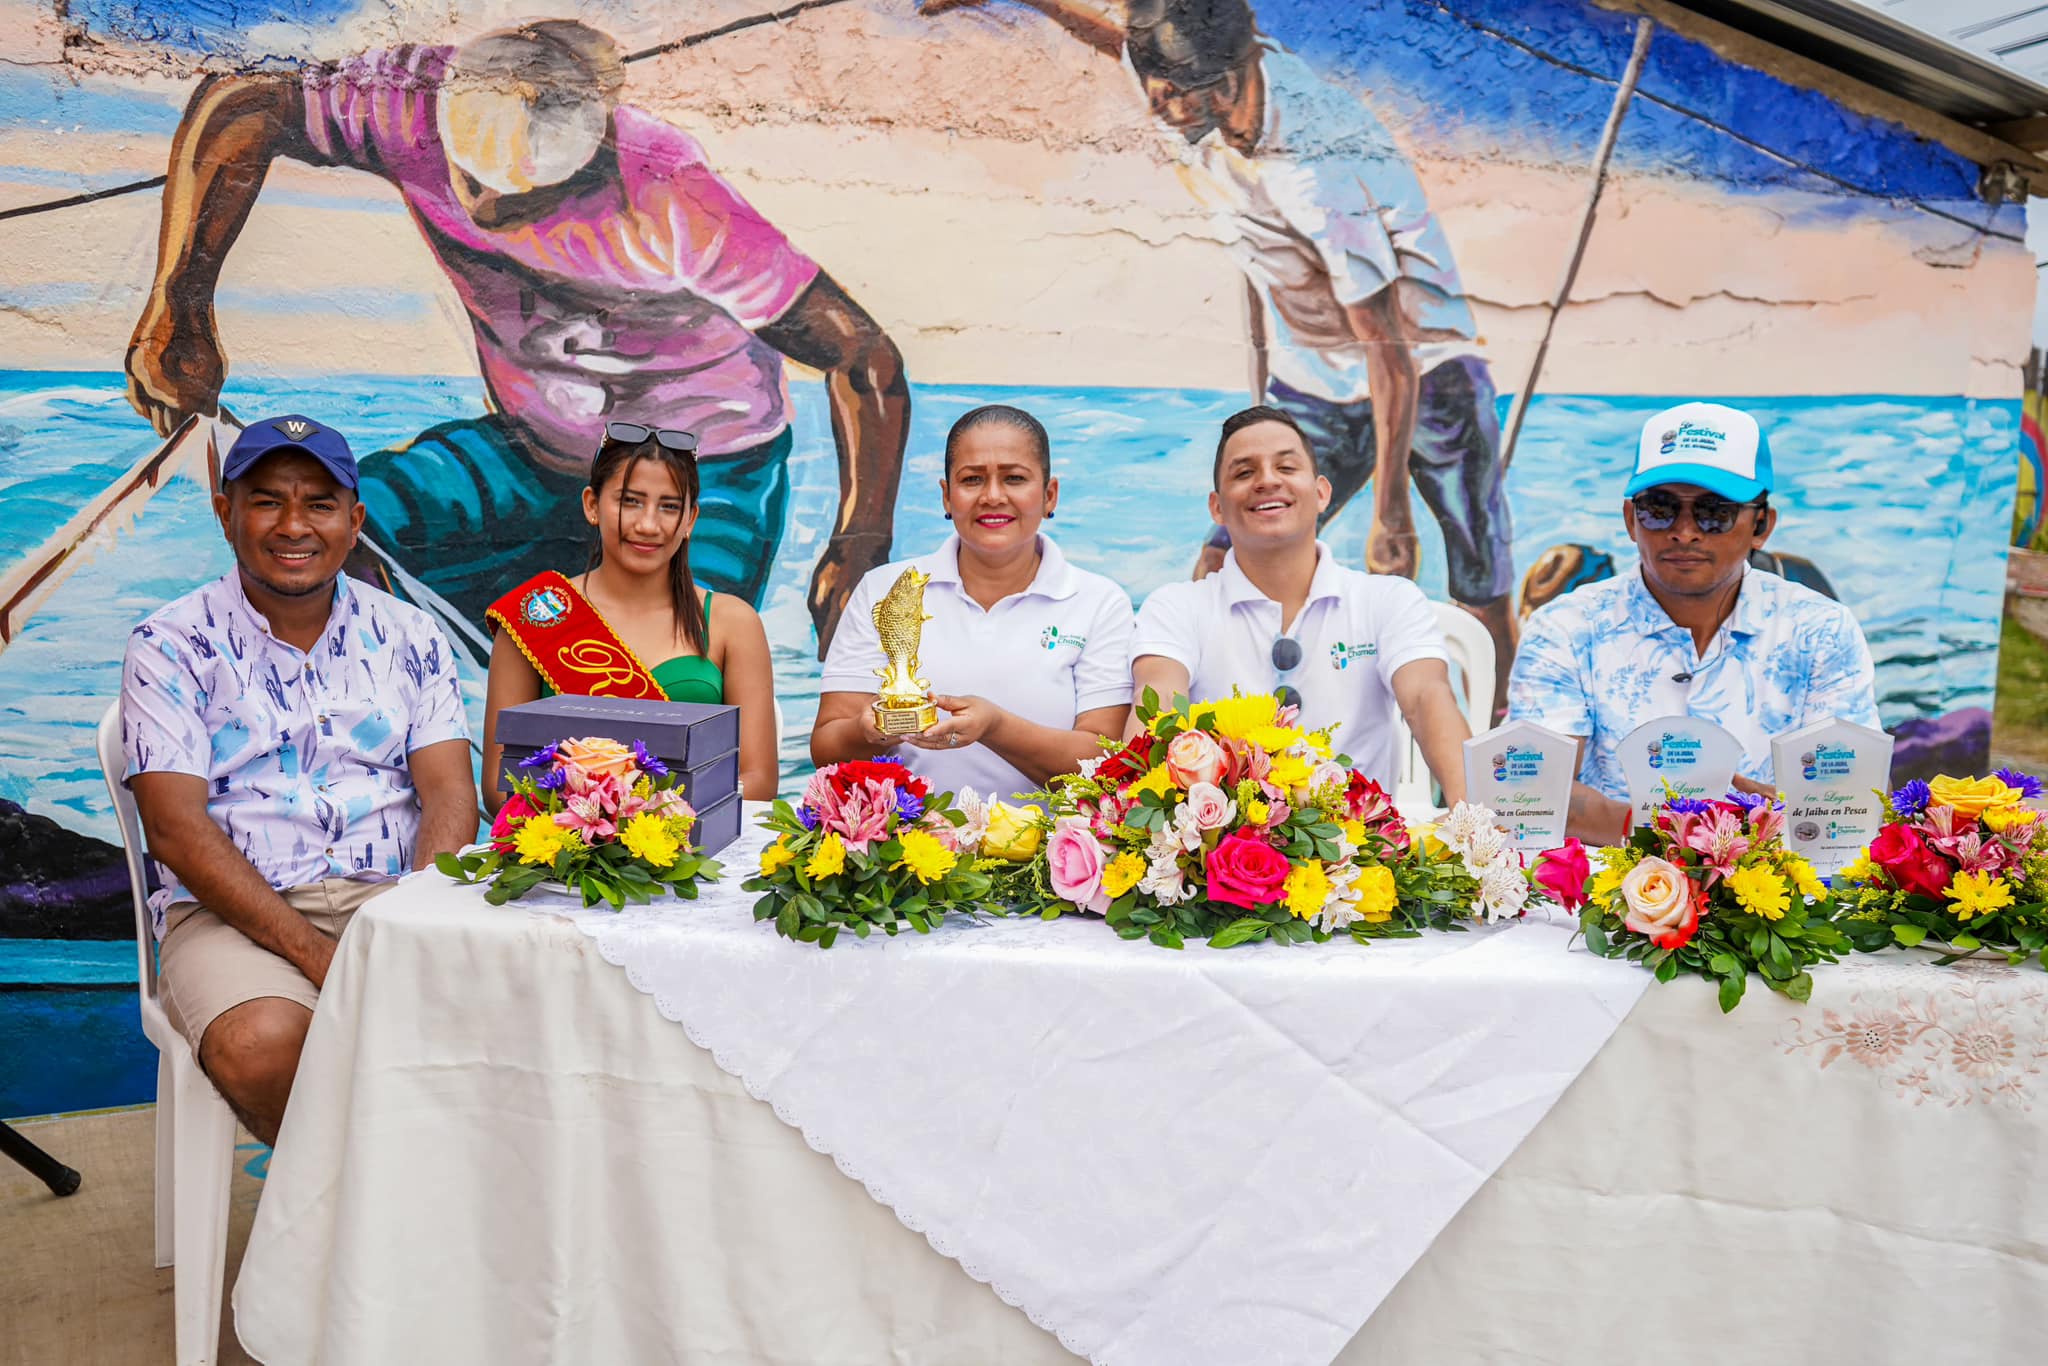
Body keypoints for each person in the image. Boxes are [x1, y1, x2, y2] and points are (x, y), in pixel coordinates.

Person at [124, 19, 907, 657]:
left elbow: (863, 356)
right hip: (536, 455)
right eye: (471, 182)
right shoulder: (405, 101)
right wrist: (179, 309)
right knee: (333, 529)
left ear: (591, 161)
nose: (487, 211)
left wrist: (860, 542)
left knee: (669, 677)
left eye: (525, 201)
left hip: (704, 474)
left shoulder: (669, 193)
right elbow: (247, 103)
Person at [921, 0, 1517, 714]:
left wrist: (1391, 514)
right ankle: (1203, 738)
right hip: (1315, 378)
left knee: (1477, 572)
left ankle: (1500, 721)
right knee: (1217, 562)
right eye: (1156, 89)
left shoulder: (1318, 165)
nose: (1158, 108)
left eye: (1172, 95)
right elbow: (1112, 36)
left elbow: (1387, 347)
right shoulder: (1187, 67)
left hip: (1425, 369)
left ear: (1229, 84)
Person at [120, 415, 477, 1146]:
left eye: (319, 503)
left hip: (396, 899)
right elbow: (175, 830)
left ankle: (401, 1198)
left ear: (355, 521)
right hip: (231, 915)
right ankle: (377, 1202)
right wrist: (324, 960)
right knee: (262, 1048)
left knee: (529, 1010)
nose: (293, 525)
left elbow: (447, 792)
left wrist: (414, 924)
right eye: (267, 501)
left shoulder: (410, 634)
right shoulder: (170, 644)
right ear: (225, 513)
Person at [1507, 402, 1880, 844]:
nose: (1684, 531)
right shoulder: (1565, 629)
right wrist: (1676, 830)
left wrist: (1758, 833)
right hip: (1603, 881)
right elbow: (1530, 794)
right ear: (1630, 519)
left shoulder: (1822, 630)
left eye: (1714, 512)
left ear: (1761, 525)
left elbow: (1851, 795)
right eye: (1659, 508)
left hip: (1775, 878)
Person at [1132, 406, 1471, 800]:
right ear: (1217, 508)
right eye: (1244, 473)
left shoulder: (1388, 600)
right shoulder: (1176, 608)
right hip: (1220, 837)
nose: (1267, 480)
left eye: (1287, 467)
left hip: (1363, 836)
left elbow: (1426, 696)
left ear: (1322, 492)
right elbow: (1158, 710)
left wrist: (1473, 817)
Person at [812, 405, 1135, 802]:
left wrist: (995, 727)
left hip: (1051, 841)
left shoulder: (1098, 602)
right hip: (910, 837)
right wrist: (870, 729)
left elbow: (1106, 764)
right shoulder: (887, 590)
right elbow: (826, 747)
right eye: (972, 480)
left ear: (1049, 495)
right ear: (947, 497)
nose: (993, 496)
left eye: (1014, 478)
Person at [481, 422, 778, 805]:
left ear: (690, 520)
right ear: (592, 505)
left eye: (669, 506)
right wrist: (594, 820)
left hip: (692, 839)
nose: (648, 525)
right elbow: (499, 785)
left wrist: (658, 819)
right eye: (630, 501)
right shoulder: (535, 615)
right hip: (566, 838)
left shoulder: (732, 622)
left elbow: (757, 778)